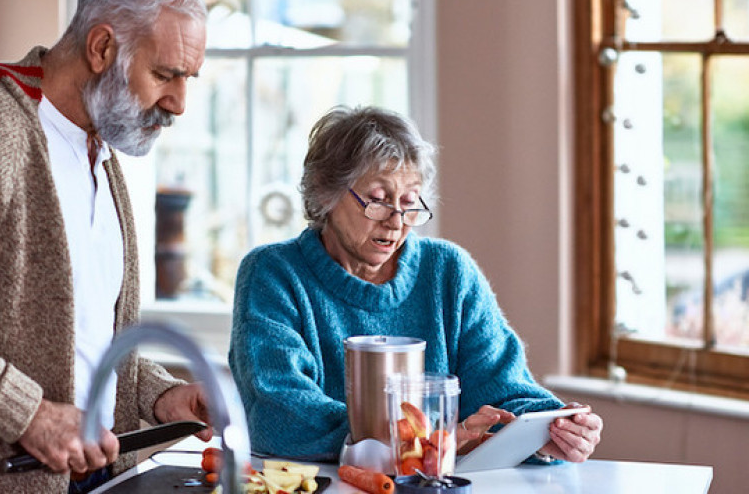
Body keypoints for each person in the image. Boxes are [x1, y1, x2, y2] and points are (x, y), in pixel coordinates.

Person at [0, 0, 213, 492]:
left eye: (189, 80)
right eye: (166, 74)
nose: (179, 103)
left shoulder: (102, 149)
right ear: (101, 47)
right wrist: (30, 417)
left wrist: (157, 396)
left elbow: (85, 340)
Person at [229, 105, 603, 464]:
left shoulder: (448, 271)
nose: (396, 221)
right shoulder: (272, 273)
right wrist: (421, 440)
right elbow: (278, 411)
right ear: (324, 193)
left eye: (409, 203)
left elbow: (504, 386)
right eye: (376, 201)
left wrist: (551, 428)